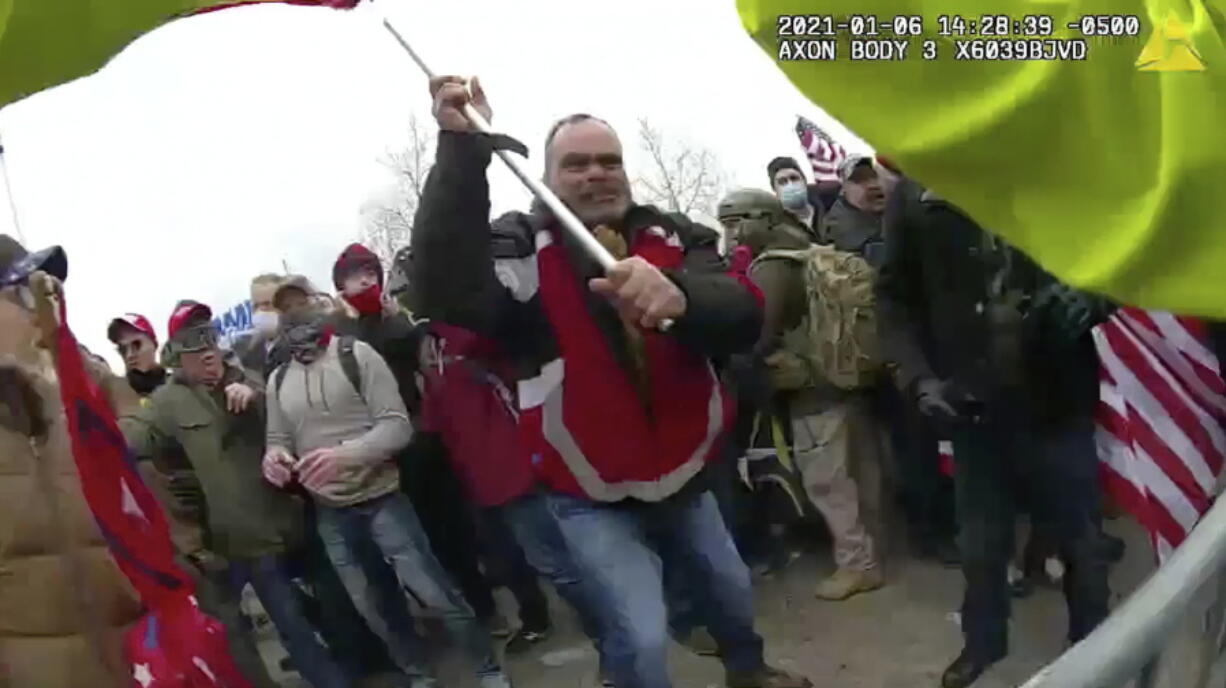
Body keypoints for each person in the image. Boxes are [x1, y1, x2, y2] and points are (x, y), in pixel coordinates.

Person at [412, 75, 810, 688]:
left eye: (610, 161)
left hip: (685, 472)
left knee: (731, 592)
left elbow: (745, 309)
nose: (597, 174)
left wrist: (680, 297)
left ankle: (749, 671)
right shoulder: (520, 252)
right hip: (586, 491)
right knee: (642, 633)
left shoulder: (673, 236)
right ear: (544, 174)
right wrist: (462, 151)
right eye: (576, 165)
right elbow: (441, 285)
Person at [877, 179, 1110, 688]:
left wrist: (1097, 293)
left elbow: (1118, 238)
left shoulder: (1043, 156)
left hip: (1058, 399)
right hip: (973, 408)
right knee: (981, 545)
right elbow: (894, 299)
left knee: (1082, 542)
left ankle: (1096, 648)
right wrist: (918, 379)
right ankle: (984, 644)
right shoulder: (913, 191)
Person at [262, 302, 513, 688]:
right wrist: (274, 457)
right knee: (375, 608)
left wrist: (346, 455)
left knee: (435, 593)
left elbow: (397, 428)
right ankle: (418, 675)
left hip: (383, 500)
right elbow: (278, 438)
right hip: (330, 512)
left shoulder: (355, 355)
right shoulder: (278, 380)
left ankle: (487, 668)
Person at [120, 300, 352, 688]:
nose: (207, 350)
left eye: (209, 335)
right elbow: (128, 440)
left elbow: (289, 415)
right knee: (290, 622)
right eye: (194, 342)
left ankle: (366, 667)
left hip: (292, 518)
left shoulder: (247, 375)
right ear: (178, 354)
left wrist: (255, 395)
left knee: (337, 604)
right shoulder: (168, 402)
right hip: (245, 537)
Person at [331, 242, 521, 637]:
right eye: (354, 275)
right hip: (376, 452)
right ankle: (448, 614)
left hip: (421, 444)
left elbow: (421, 356)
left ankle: (484, 609)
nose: (365, 279)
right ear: (340, 286)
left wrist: (395, 318)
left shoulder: (399, 320)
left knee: (453, 532)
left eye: (370, 272)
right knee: (414, 547)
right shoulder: (339, 336)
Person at [719, 188, 884, 601]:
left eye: (739, 221)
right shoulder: (808, 251)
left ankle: (857, 565)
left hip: (809, 389)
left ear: (767, 219)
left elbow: (759, 335)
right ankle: (872, 551)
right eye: (727, 223)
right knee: (863, 472)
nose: (733, 233)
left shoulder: (771, 267)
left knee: (827, 482)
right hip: (846, 378)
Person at [0, 236, 145, 688]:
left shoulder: (85, 388)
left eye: (47, 292)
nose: (45, 309)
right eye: (24, 293)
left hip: (135, 656)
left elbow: (147, 493)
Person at [820, 155, 888, 264]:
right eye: (860, 180)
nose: (874, 185)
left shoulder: (899, 213)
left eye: (876, 176)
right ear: (844, 190)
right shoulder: (837, 226)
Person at [234, 273, 286, 377]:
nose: (260, 311)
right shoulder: (246, 352)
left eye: (267, 304)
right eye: (256, 306)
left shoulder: (299, 347)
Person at [106, 312, 168, 396]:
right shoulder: (116, 395)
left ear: (154, 344)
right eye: (123, 349)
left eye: (136, 345)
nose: (129, 355)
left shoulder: (182, 387)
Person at [766, 156, 825, 240]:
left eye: (794, 178)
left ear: (804, 181)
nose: (790, 185)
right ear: (775, 190)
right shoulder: (774, 227)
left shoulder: (827, 210)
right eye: (782, 182)